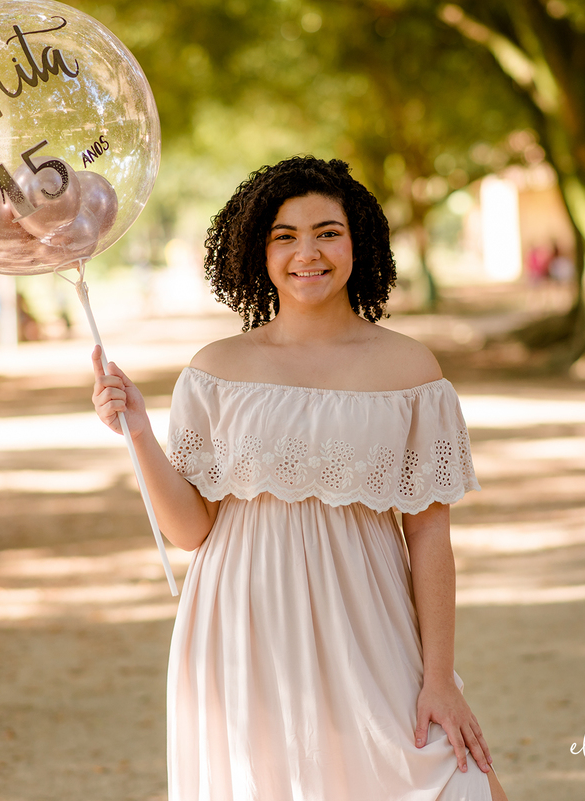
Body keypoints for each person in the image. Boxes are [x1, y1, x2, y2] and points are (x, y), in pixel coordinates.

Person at [92, 156, 508, 800]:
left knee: (455, 783)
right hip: (241, 627)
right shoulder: (216, 369)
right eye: (284, 235)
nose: (306, 253)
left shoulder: (410, 370)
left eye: (327, 232)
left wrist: (439, 678)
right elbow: (191, 531)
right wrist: (140, 434)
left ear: (357, 242)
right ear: (257, 251)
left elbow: (429, 535)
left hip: (370, 622)